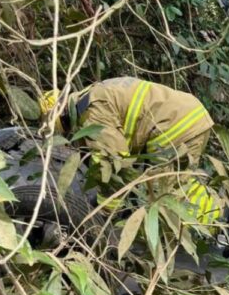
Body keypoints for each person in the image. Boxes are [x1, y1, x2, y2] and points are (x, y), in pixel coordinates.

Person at [38, 77, 219, 223]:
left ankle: (216, 221)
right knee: (177, 182)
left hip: (175, 125)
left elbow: (114, 161)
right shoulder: (93, 94)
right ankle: (216, 213)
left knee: (162, 194)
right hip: (187, 117)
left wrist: (107, 209)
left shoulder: (91, 112)